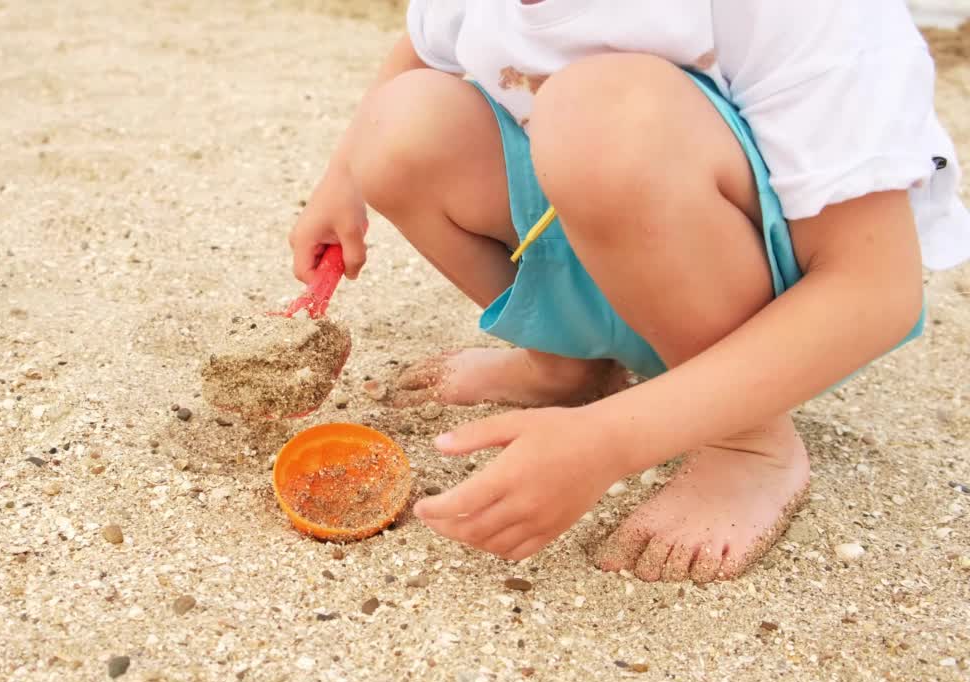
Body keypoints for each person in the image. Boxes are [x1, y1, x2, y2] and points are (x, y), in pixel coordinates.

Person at [286, 0, 970, 582]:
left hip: (779, 295)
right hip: (611, 227)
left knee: (600, 111)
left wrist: (612, 442)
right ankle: (564, 365)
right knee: (401, 123)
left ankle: (748, 442)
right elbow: (421, 48)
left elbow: (875, 291)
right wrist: (341, 182)